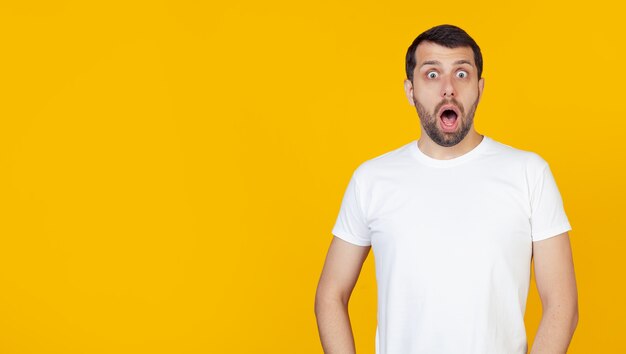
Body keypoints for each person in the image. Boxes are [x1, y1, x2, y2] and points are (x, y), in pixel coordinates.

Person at [314, 24, 578, 354]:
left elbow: (562, 303)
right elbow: (330, 294)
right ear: (410, 90)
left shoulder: (529, 174)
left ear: (480, 88)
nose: (449, 89)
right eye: (432, 74)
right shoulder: (372, 180)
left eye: (462, 74)